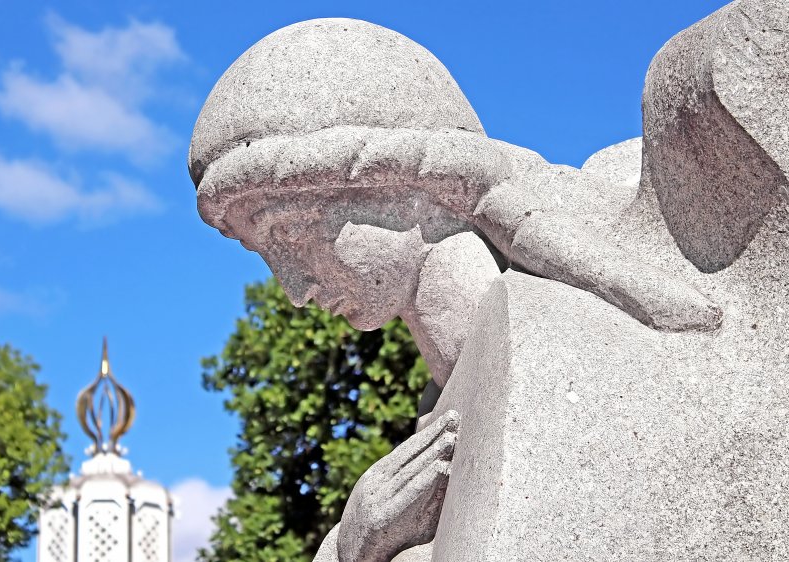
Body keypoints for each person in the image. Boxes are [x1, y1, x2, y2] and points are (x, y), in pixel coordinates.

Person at [190, 17, 724, 562]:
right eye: (265, 255)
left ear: (399, 182)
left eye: (288, 233)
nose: (294, 289)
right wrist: (353, 543)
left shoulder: (556, 336)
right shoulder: (438, 408)